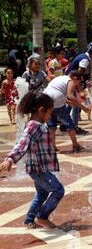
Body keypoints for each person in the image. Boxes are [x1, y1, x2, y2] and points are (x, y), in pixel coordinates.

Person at [0, 92, 64, 229]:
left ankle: (29, 220)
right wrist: (11, 159)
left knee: (42, 193)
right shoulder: (34, 126)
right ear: (41, 110)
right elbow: (22, 143)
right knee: (58, 190)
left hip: (38, 168)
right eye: (49, 112)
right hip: (38, 169)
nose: (50, 116)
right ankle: (42, 216)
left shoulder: (36, 124)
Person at [43, 71, 89, 153]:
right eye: (78, 81)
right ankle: (75, 145)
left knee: (51, 125)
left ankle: (52, 147)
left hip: (45, 100)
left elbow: (57, 90)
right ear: (74, 78)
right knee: (68, 123)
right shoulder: (70, 80)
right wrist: (83, 107)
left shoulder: (60, 78)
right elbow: (70, 95)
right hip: (57, 103)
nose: (76, 84)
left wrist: (67, 101)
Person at [65, 42, 92, 135]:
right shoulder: (85, 60)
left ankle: (65, 124)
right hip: (70, 82)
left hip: (68, 80)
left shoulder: (82, 55)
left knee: (70, 104)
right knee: (76, 104)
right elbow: (78, 75)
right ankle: (74, 127)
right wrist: (80, 91)